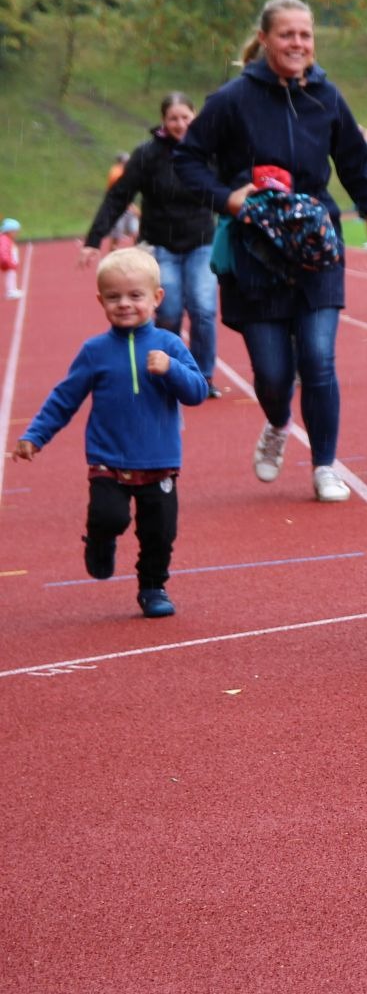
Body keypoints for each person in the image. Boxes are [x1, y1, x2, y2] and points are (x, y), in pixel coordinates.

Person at [174, 0, 367, 504]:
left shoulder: (327, 97)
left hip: (316, 248)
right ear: (264, 39)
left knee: (319, 360)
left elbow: (358, 172)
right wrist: (227, 198)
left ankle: (325, 465)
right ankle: (278, 422)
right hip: (255, 253)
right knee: (273, 374)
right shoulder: (232, 99)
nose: (298, 43)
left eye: (305, 34)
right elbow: (187, 160)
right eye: (287, 34)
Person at [12, 248, 209, 619]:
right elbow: (64, 398)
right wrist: (35, 436)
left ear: (157, 297)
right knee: (109, 516)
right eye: (114, 296)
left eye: (135, 295)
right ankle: (99, 540)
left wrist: (171, 369)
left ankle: (153, 587)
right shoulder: (95, 351)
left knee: (159, 532)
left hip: (159, 459)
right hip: (108, 458)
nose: (125, 304)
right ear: (101, 300)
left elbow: (197, 392)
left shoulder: (169, 345)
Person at [80, 93, 221, 396]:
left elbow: (231, 187)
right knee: (168, 311)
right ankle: (170, 371)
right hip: (160, 244)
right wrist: (94, 239)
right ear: (163, 122)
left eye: (185, 117)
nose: (180, 124)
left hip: (201, 241)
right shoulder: (147, 155)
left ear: (195, 117)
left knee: (203, 309)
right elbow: (119, 196)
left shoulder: (208, 151)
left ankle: (203, 377)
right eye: (173, 119)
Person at [103, 155, 140, 250]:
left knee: (136, 233)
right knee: (116, 237)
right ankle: (112, 256)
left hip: (128, 208)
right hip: (118, 209)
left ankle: (140, 254)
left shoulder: (126, 171)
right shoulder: (116, 172)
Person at [0, 216, 21, 298]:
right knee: (10, 276)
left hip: (10, 262)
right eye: (15, 231)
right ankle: (10, 291)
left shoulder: (7, 239)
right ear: (9, 231)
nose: (16, 233)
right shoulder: (4, 239)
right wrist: (7, 261)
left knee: (12, 275)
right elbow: (3, 251)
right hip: (7, 262)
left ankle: (13, 289)